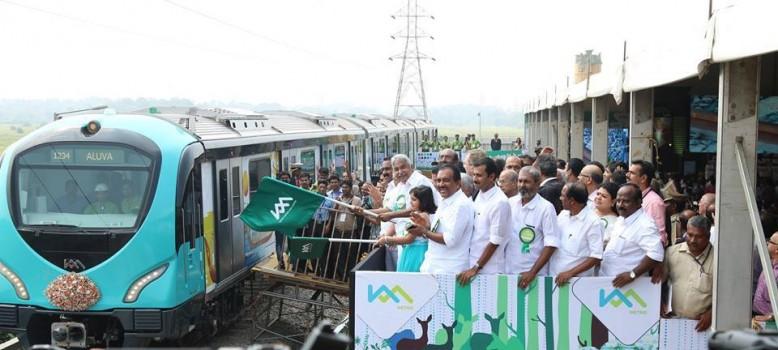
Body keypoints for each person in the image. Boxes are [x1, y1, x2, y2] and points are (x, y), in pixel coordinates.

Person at [458, 157, 511, 285]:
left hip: (489, 270)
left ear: (492, 177)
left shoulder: (499, 202)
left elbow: (495, 241)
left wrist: (476, 267)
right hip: (473, 265)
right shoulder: (479, 194)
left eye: (479, 175)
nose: (475, 179)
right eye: (474, 175)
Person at [505, 166, 559, 289]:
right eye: (520, 181)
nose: (522, 185)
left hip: (534, 275)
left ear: (537, 183)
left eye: (527, 181)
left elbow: (551, 244)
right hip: (509, 271)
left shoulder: (546, 208)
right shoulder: (510, 203)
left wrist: (532, 272)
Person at [600, 184, 664, 287]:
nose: (620, 205)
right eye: (618, 201)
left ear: (638, 202)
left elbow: (656, 254)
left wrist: (632, 274)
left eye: (626, 201)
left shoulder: (645, 225)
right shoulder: (621, 219)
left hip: (628, 287)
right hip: (607, 281)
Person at [418, 165, 475, 274]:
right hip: (434, 266)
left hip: (448, 269)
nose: (441, 184)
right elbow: (439, 230)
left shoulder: (461, 205)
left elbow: (451, 239)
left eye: (446, 180)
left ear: (458, 183)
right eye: (438, 180)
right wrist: (426, 226)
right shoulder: (445, 200)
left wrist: (424, 232)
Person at [662, 215, 713, 332]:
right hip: (674, 322)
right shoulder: (672, 253)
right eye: (690, 235)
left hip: (702, 326)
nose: (693, 240)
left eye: (698, 236)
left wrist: (711, 313)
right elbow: (659, 283)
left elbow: (725, 295)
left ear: (708, 236)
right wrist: (659, 303)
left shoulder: (717, 259)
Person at [551, 182, 604, 284]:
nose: (560, 198)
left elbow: (596, 257)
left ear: (572, 201)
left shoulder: (593, 222)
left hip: (576, 283)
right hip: (553, 277)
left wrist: (570, 273)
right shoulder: (563, 215)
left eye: (563, 196)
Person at [375, 185, 437, 272]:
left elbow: (408, 239)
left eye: (414, 200)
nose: (410, 202)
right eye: (411, 199)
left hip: (415, 253)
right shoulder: (422, 215)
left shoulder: (421, 216)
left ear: (423, 201)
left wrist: (386, 239)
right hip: (412, 251)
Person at [628, 160, 667, 245]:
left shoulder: (654, 202)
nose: (627, 176)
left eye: (632, 173)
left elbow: (659, 237)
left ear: (643, 178)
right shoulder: (634, 198)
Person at [754, 231, 778, 317]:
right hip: (756, 317)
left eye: (771, 242)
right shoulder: (768, 264)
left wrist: (770, 317)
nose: (767, 243)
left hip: (770, 320)